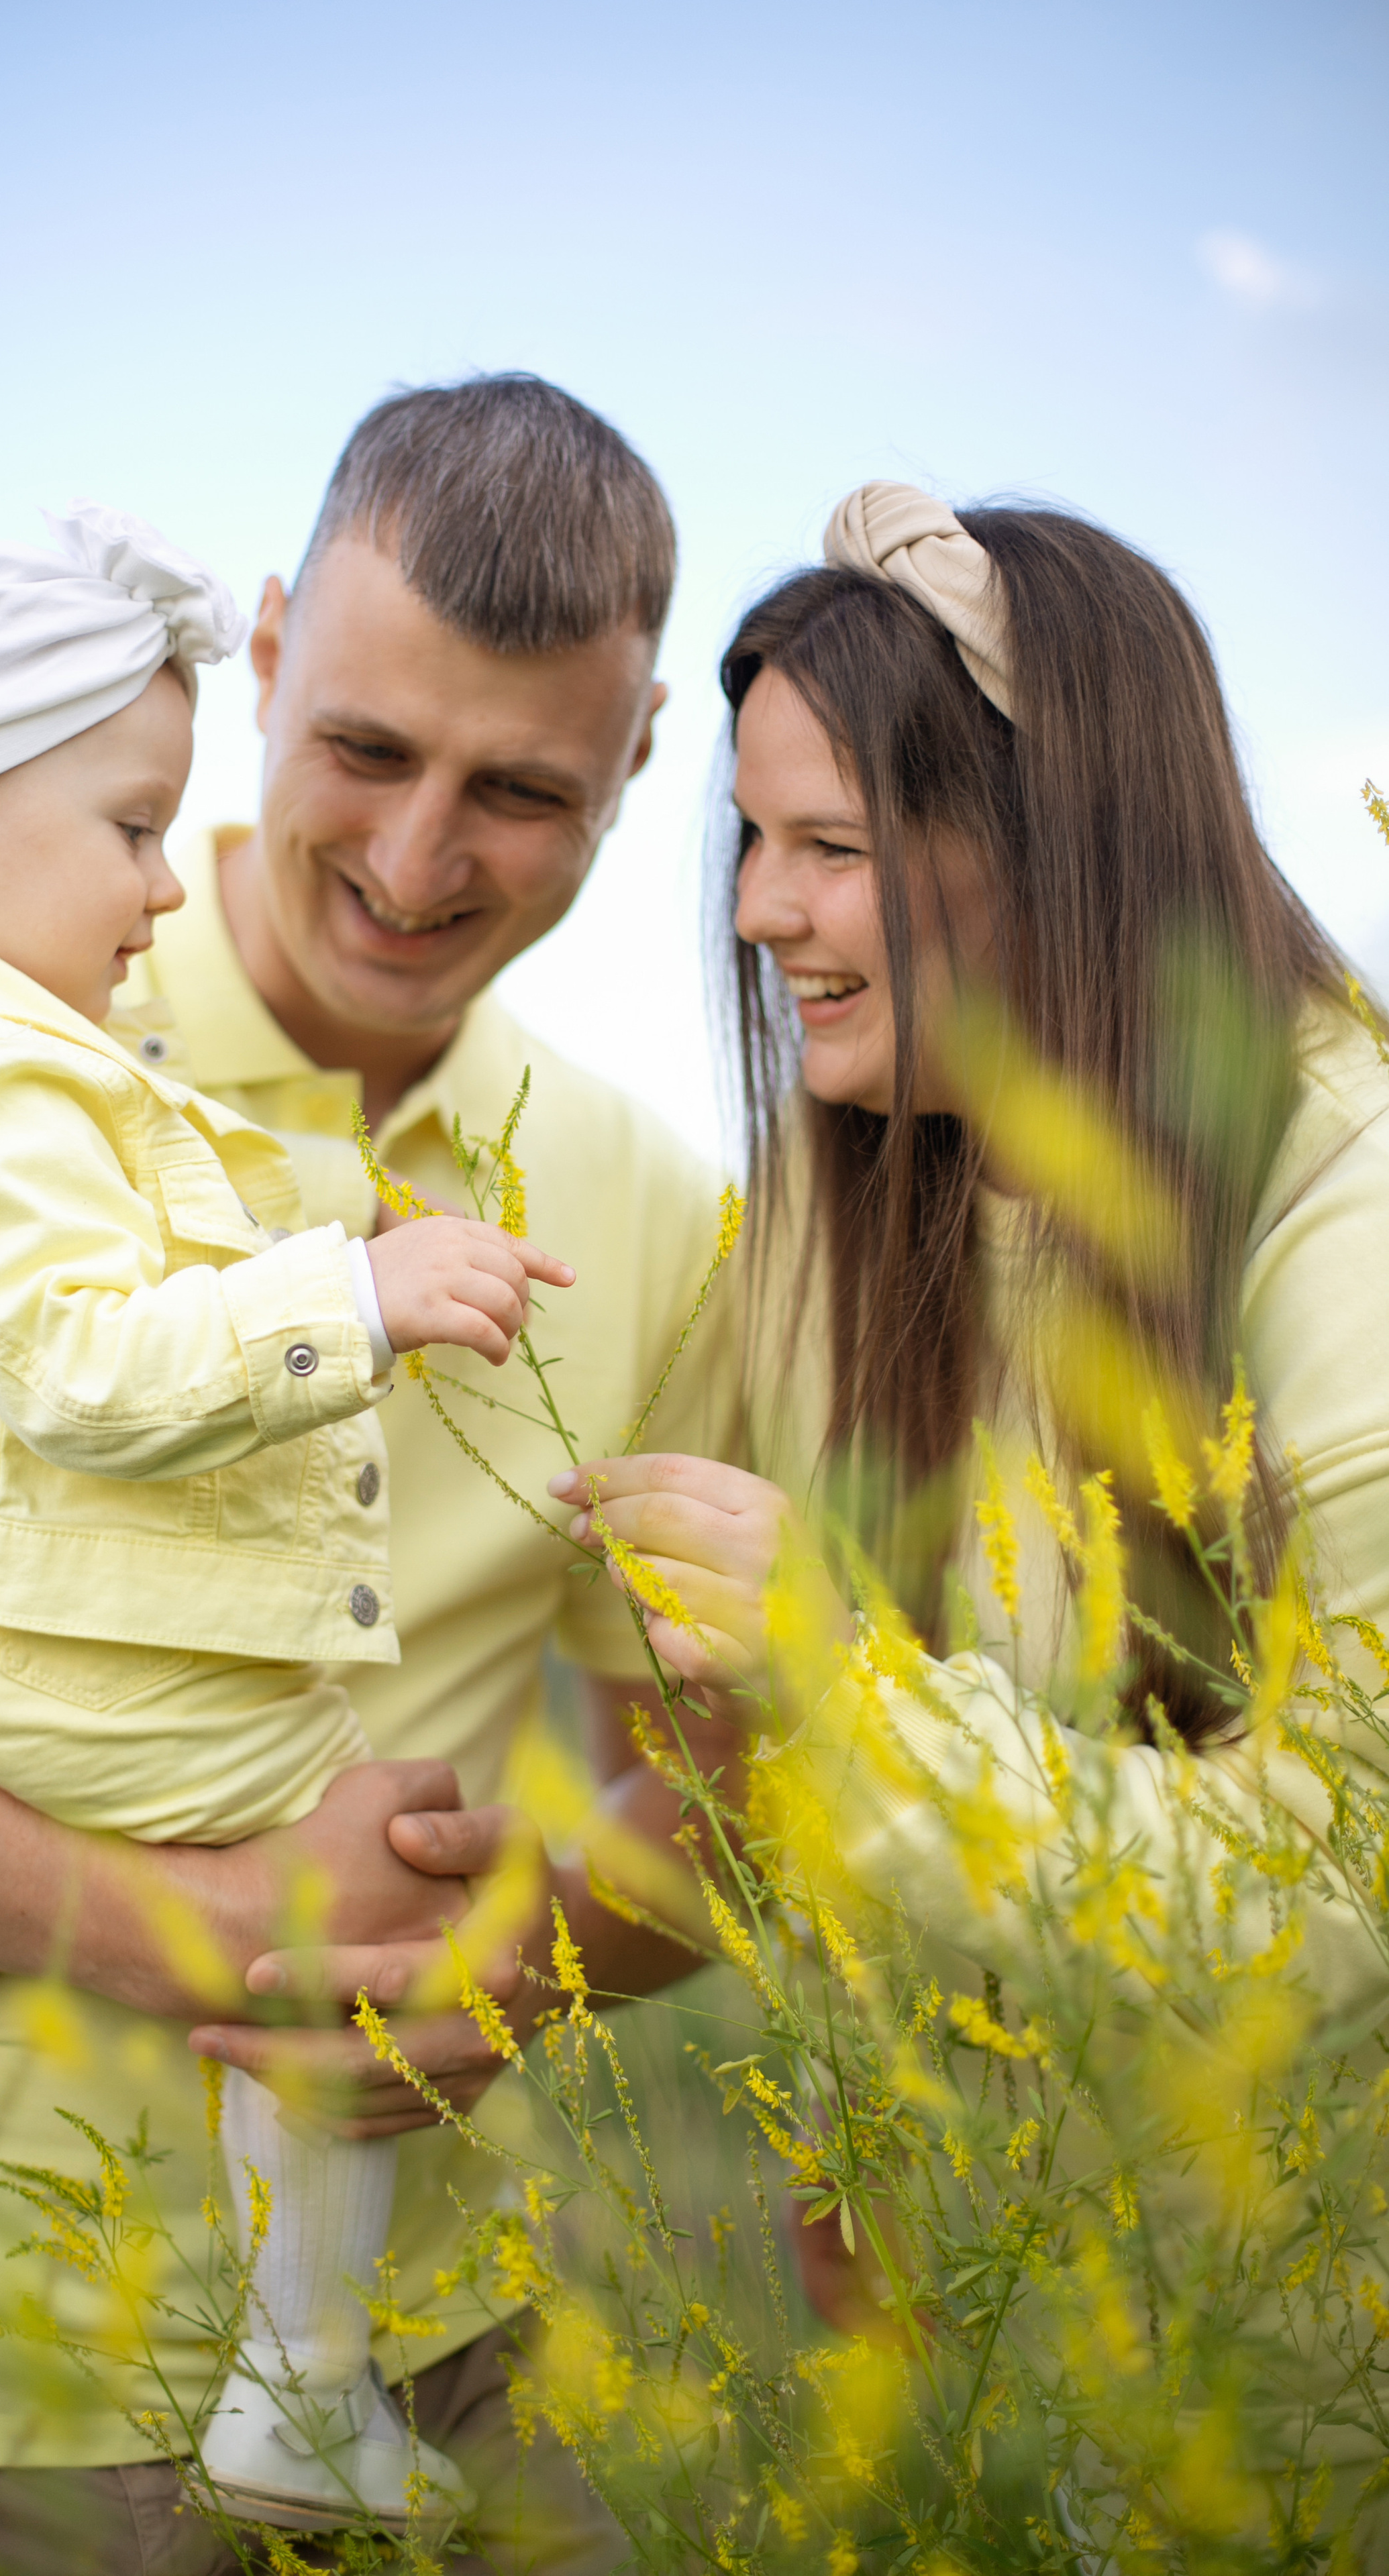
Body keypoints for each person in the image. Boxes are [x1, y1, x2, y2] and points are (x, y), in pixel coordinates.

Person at [0, 378, 741, 2572]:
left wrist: (514, 1962)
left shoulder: (647, 1203)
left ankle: (304, 2380)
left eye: (523, 791)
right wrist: (210, 1937)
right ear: (262, 654)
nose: (419, 861)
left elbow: (684, 1780)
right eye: (365, 750)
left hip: (429, 2335)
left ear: (638, 768)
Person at [551, 482, 1389, 2274]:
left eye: (830, 846)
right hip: (959, 2357)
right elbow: (684, 1709)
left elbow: (1335, 1897)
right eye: (752, 839)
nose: (763, 909)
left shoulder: (1348, 1202)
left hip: (1295, 2379)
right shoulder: (837, 1192)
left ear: (1053, 840)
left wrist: (847, 1690)